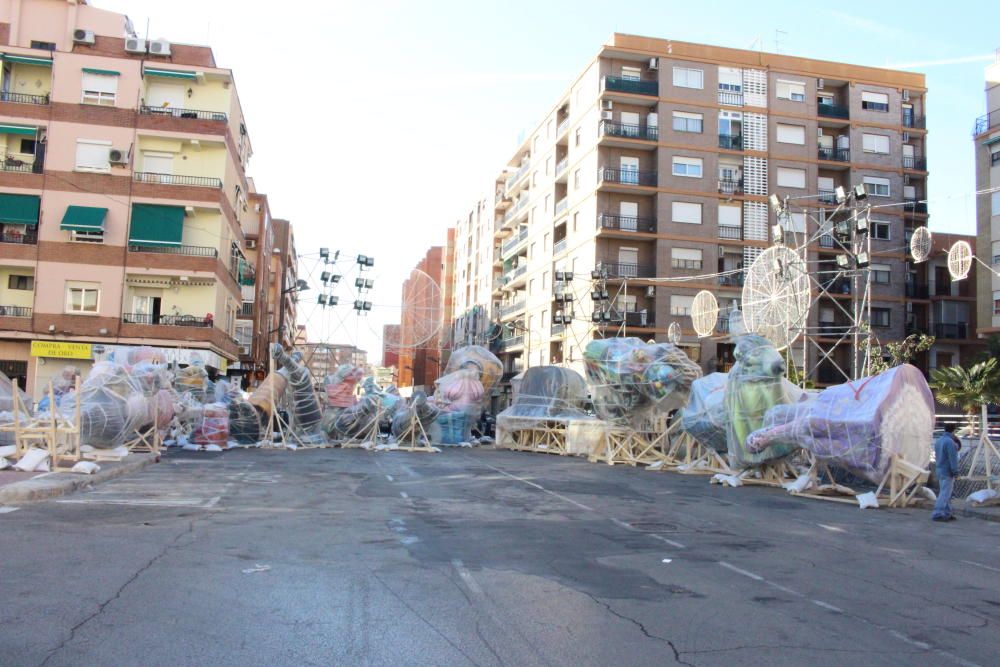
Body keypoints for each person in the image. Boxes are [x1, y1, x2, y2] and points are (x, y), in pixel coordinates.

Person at [932, 423, 961, 522]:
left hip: (939, 470)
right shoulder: (950, 442)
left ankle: (947, 513)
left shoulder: (939, 440)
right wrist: (956, 472)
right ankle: (938, 513)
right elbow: (953, 459)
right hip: (947, 471)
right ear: (954, 431)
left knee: (946, 493)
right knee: (945, 494)